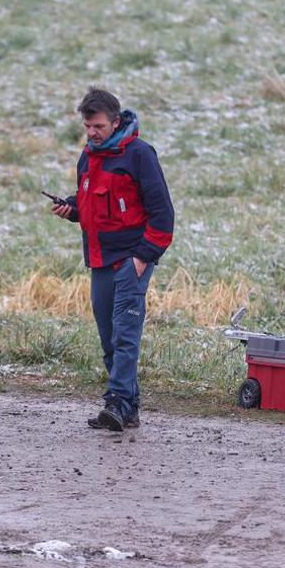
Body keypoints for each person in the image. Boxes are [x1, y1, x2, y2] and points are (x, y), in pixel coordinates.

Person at [51, 88, 174, 431]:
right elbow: (91, 203)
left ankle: (117, 401)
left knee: (124, 335)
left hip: (131, 261)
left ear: (116, 122)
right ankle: (128, 407)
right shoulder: (88, 157)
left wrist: (142, 259)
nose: (91, 132)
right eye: (88, 126)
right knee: (109, 338)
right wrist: (72, 209)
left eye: (98, 126)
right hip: (99, 260)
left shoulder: (140, 155)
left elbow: (163, 215)